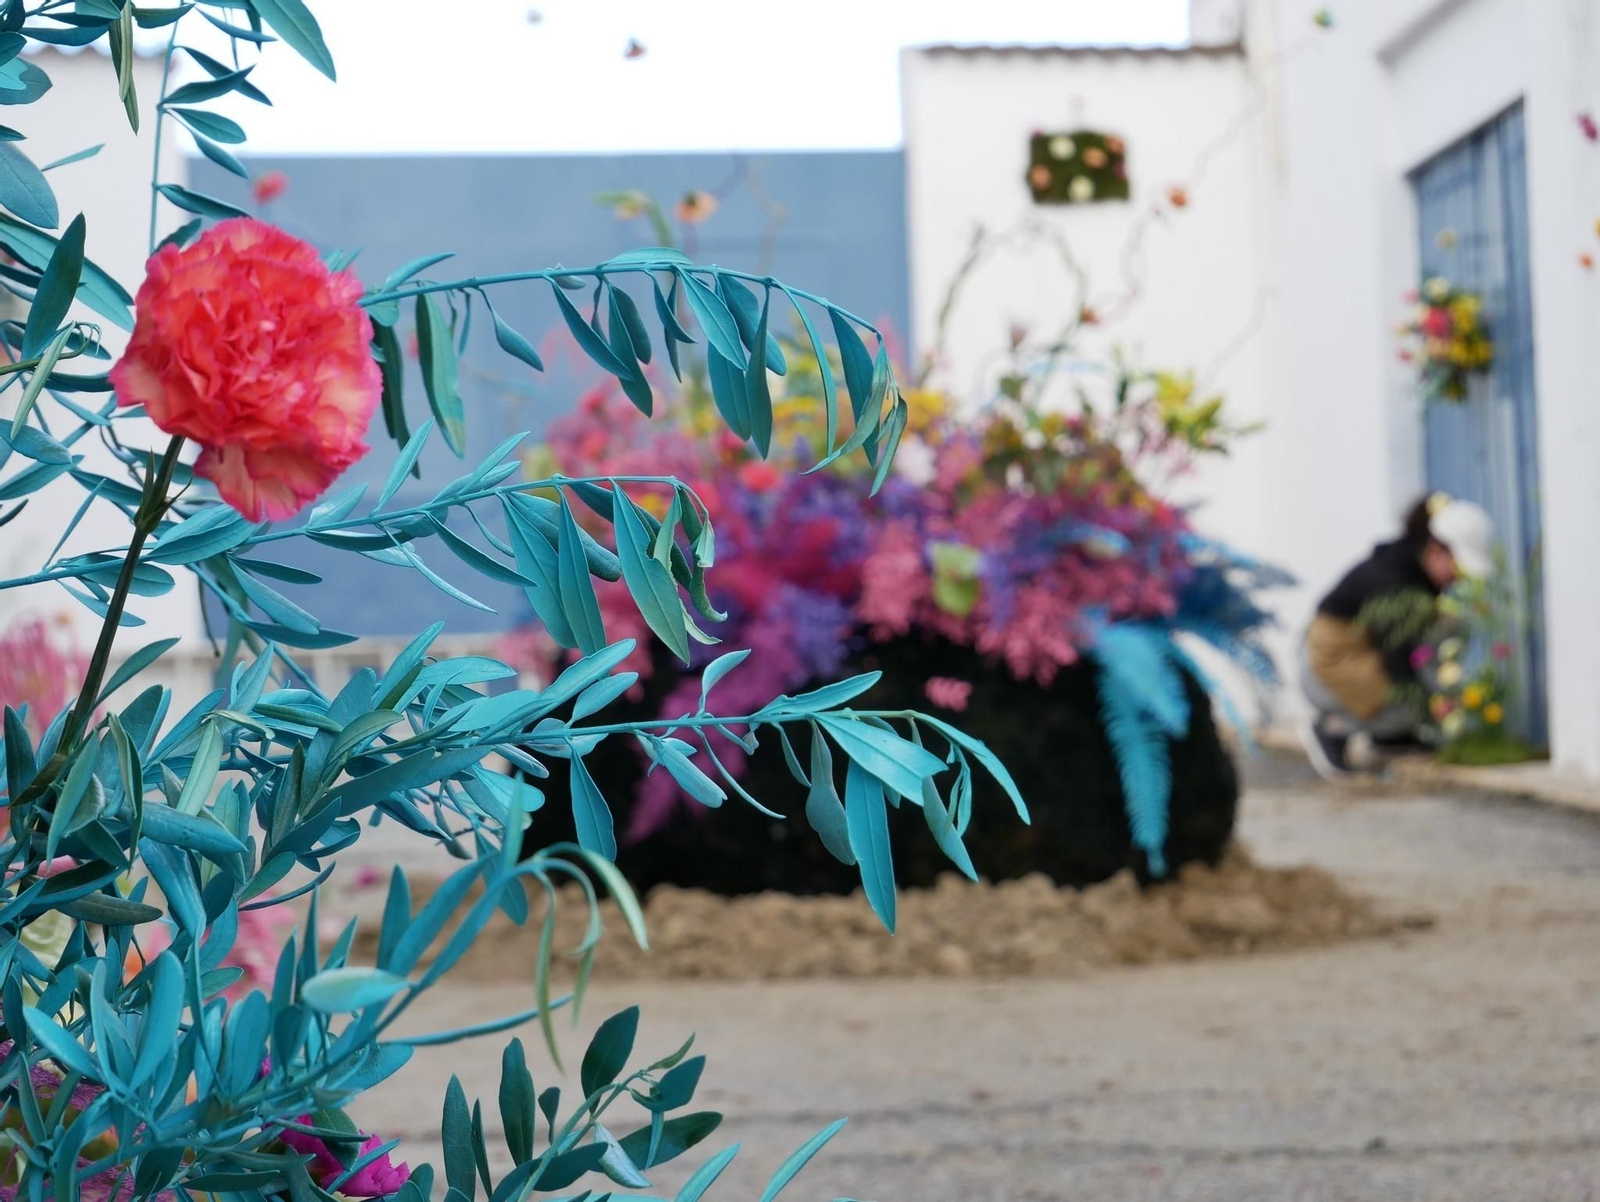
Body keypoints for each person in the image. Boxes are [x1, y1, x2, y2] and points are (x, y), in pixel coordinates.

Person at [1300, 493, 1493, 780]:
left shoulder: (1407, 564)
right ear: (1437, 551)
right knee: (1411, 701)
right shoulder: (1397, 585)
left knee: (1423, 675)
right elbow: (1401, 660)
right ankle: (1333, 727)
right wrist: (1439, 708)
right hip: (1329, 666)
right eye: (1459, 568)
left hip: (1350, 655)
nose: (1459, 579)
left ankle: (1390, 738)